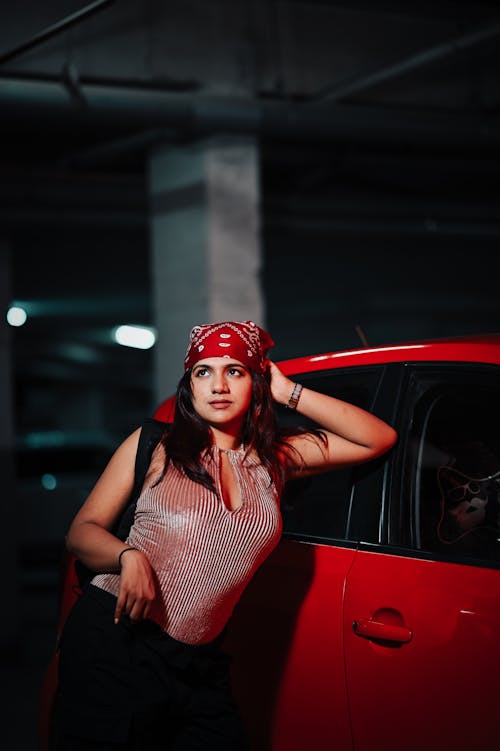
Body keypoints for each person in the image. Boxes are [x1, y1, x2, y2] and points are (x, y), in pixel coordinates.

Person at [54, 320, 397, 751]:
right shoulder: (155, 445)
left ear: (255, 382)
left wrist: (287, 390)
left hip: (200, 664)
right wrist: (128, 557)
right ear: (190, 386)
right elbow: (81, 533)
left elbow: (378, 438)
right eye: (204, 371)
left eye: (234, 371)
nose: (218, 384)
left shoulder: (276, 460)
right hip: (117, 645)